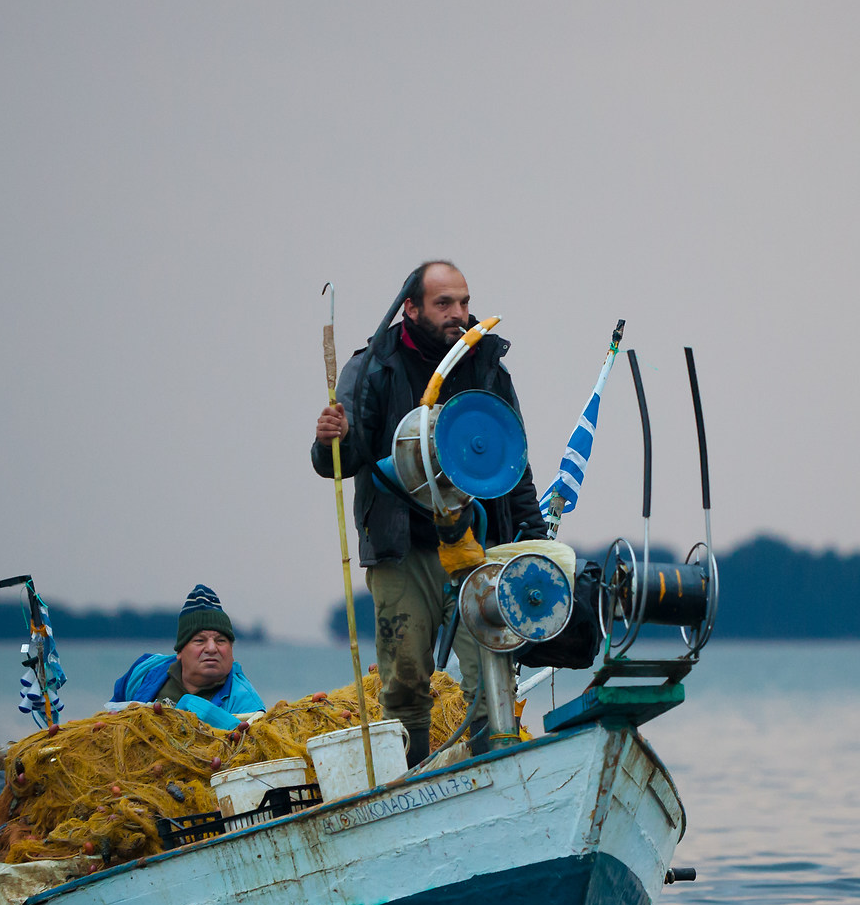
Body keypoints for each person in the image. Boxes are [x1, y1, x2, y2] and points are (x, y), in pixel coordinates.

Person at [312, 260, 548, 765]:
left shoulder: (487, 366)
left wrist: (532, 529)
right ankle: (410, 785)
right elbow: (340, 463)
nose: (459, 314)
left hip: (476, 544)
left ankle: (497, 769)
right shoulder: (373, 366)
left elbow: (513, 457)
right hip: (402, 550)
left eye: (464, 302)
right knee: (404, 681)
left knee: (490, 670)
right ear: (411, 308)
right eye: (444, 304)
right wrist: (330, 439)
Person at [109, 584, 265, 730]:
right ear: (180, 651)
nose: (211, 648)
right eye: (199, 640)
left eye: (221, 640)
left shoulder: (247, 704)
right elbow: (113, 709)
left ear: (231, 651)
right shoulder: (144, 671)